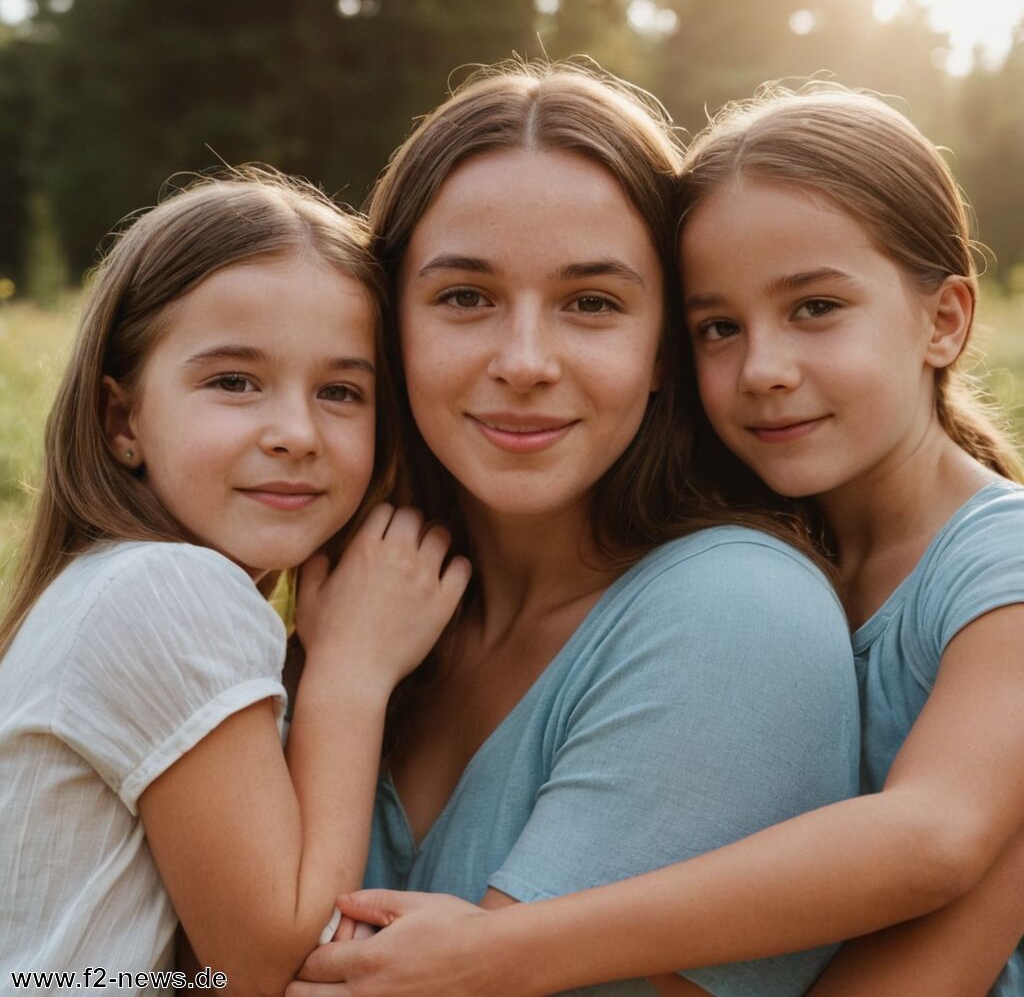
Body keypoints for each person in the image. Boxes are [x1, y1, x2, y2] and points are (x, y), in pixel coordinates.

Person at [288, 86, 1024, 997]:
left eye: (817, 308)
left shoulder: (979, 563)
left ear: (945, 319)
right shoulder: (359, 596)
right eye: (719, 327)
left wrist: (496, 950)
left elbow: (938, 838)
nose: (763, 370)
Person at [0, 170, 470, 997]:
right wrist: (351, 671)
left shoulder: (112, 584)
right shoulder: (165, 590)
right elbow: (257, 970)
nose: (295, 432)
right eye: (233, 382)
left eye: (340, 391)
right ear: (122, 421)